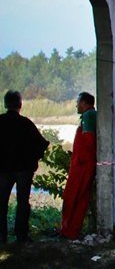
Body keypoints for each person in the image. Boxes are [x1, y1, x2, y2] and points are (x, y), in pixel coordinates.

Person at [0, 90, 49, 243]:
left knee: (1, 202)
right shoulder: (26, 123)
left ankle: (2, 236)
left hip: (3, 170)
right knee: (22, 202)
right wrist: (33, 159)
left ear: (5, 104)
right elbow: (42, 144)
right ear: (20, 105)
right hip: (24, 169)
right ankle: (21, 235)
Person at [59, 92, 97, 239]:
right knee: (79, 197)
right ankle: (70, 230)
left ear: (84, 103)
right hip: (83, 163)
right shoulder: (90, 115)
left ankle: (69, 230)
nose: (76, 105)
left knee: (73, 196)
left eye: (78, 102)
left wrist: (81, 159)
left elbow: (89, 141)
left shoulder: (88, 116)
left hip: (82, 164)